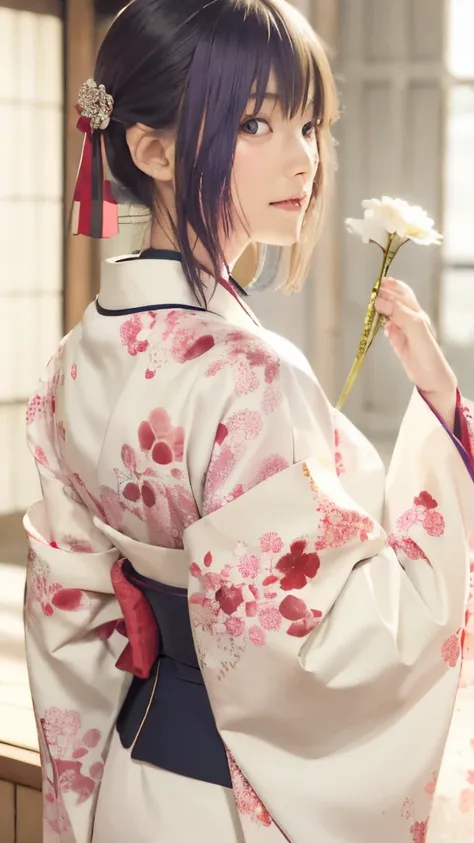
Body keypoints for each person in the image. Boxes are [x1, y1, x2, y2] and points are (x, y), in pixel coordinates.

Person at [23, 1, 474, 842]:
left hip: (132, 774)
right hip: (229, 802)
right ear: (153, 150)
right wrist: (448, 427)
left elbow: (65, 614)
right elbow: (336, 645)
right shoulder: (249, 374)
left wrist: (77, 803)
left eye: (310, 123)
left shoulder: (70, 362)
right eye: (257, 122)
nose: (303, 156)